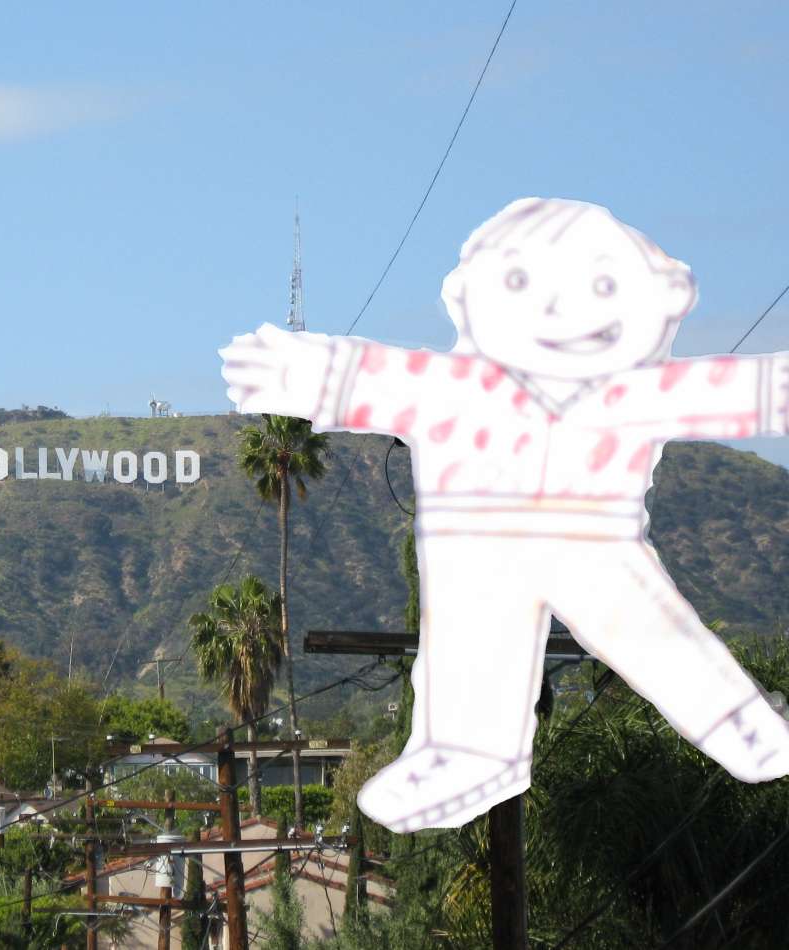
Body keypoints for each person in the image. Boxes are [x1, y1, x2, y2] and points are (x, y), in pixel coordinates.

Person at [219, 197, 789, 832]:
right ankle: (470, 755)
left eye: (601, 286)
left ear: (667, 300)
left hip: (596, 550)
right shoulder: (450, 383)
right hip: (480, 554)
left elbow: (746, 391)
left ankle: (748, 730)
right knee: (472, 652)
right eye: (520, 282)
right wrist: (295, 370)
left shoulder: (631, 391)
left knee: (660, 644)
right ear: (463, 297)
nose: (557, 309)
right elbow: (366, 375)